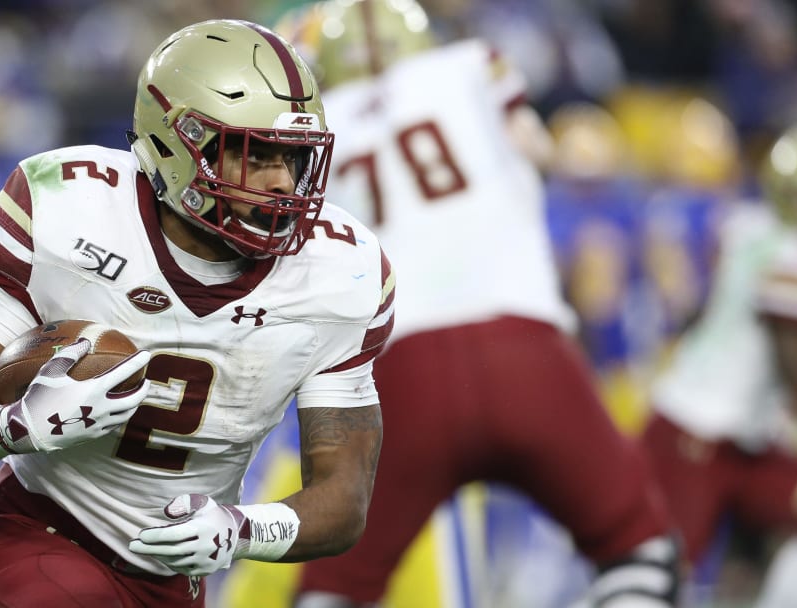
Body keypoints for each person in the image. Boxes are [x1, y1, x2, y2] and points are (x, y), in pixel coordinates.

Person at [0, 18, 395, 608]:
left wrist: (243, 531)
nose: (282, 183)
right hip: (32, 534)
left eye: (293, 158)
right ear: (176, 146)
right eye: (254, 156)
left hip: (171, 581)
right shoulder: (69, 206)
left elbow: (344, 498)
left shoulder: (343, 271)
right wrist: (12, 426)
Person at [276, 1, 683, 606]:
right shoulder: (471, 66)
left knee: (337, 586)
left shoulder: (315, 130)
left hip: (396, 377)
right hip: (522, 349)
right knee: (638, 547)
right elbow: (538, 150)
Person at [640, 117, 797, 607]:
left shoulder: (751, 229)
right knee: (656, 583)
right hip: (696, 438)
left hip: (745, 442)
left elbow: (702, 318)